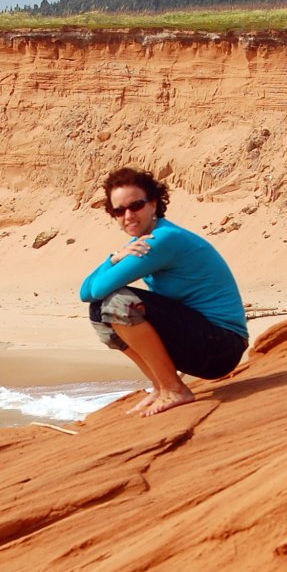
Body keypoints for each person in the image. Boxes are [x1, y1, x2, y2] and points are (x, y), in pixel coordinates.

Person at [80, 167, 249, 417]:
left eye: (136, 205)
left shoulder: (162, 240)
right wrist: (114, 258)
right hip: (203, 340)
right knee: (98, 311)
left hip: (221, 347)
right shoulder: (143, 240)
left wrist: (114, 261)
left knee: (118, 303)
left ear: (153, 204)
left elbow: (98, 288)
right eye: (119, 210)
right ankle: (161, 386)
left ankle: (174, 389)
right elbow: (87, 294)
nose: (128, 215)